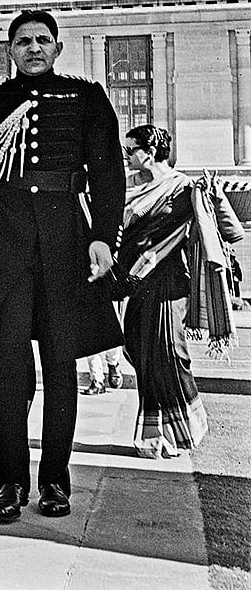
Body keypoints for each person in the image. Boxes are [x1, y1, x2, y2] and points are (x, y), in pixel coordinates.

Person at [0, 10, 125, 521]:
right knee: (7, 370)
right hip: (5, 248)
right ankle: (10, 483)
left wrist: (102, 239)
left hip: (65, 246)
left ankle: (55, 481)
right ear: (10, 49)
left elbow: (108, 173)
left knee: (60, 367)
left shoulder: (85, 97)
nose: (33, 48)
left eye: (43, 41)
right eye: (23, 41)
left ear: (57, 48)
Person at [118, 124, 237, 459]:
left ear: (151, 151)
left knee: (170, 352)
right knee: (141, 355)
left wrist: (212, 195)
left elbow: (229, 231)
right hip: (135, 282)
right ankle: (156, 436)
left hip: (169, 281)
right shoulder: (128, 189)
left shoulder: (184, 188)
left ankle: (188, 425)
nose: (126, 156)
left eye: (131, 150)